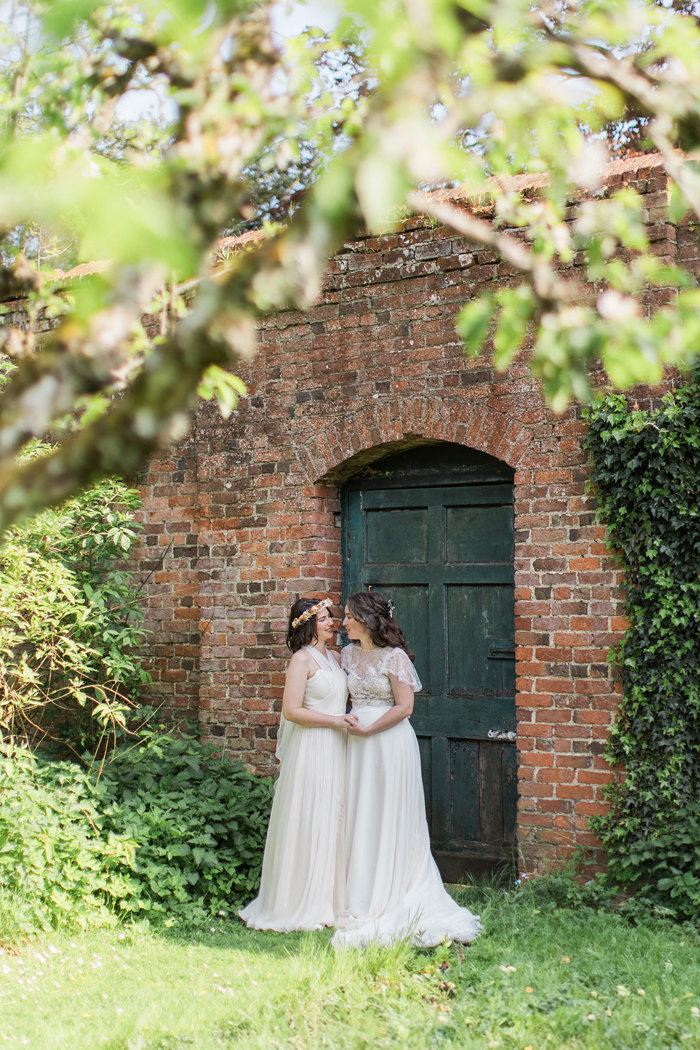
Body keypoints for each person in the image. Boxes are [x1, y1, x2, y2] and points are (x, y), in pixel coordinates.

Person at [332, 591, 483, 949]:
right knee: (359, 812)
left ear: (368, 619)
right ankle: (358, 891)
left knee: (389, 812)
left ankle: (393, 889)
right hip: (355, 744)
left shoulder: (395, 657)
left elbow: (405, 707)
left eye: (349, 616)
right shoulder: (347, 655)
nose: (343, 622)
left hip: (388, 743)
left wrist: (369, 728)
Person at [239, 597, 356, 931]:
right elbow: (292, 711)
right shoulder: (301, 660)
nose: (332, 622)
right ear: (307, 624)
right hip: (312, 745)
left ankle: (333, 899)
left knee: (334, 814)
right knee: (310, 813)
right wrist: (335, 722)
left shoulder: (334, 657)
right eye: (323, 618)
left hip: (338, 745)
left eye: (331, 617)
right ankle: (298, 900)